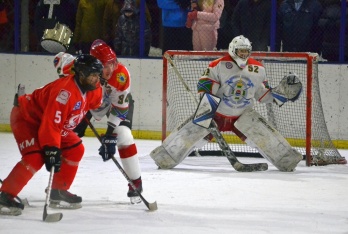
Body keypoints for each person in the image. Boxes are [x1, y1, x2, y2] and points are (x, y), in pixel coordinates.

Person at [150, 35, 303, 172]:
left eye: (246, 51)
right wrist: (206, 108)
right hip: (215, 114)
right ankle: (165, 158)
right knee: (192, 141)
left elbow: (261, 95)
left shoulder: (258, 69)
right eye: (240, 51)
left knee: (263, 141)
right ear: (232, 50)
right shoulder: (218, 65)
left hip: (242, 115)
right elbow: (206, 86)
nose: (243, 54)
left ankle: (286, 161)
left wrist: (281, 95)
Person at [0, 54, 103, 216]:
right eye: (93, 75)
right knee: (36, 156)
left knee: (76, 148)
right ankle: (4, 196)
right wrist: (51, 148)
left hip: (49, 122)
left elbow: (94, 105)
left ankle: (58, 191)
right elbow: (51, 124)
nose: (97, 79)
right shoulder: (64, 93)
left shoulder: (93, 88)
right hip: (27, 118)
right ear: (81, 74)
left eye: (98, 75)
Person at [53, 40, 142, 204]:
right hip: (86, 102)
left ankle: (136, 182)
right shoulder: (82, 66)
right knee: (64, 135)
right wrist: (66, 69)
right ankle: (58, 185)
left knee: (123, 134)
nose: (109, 69)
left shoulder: (121, 74)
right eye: (104, 65)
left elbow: (120, 108)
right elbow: (58, 60)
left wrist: (109, 135)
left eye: (112, 63)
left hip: (110, 105)